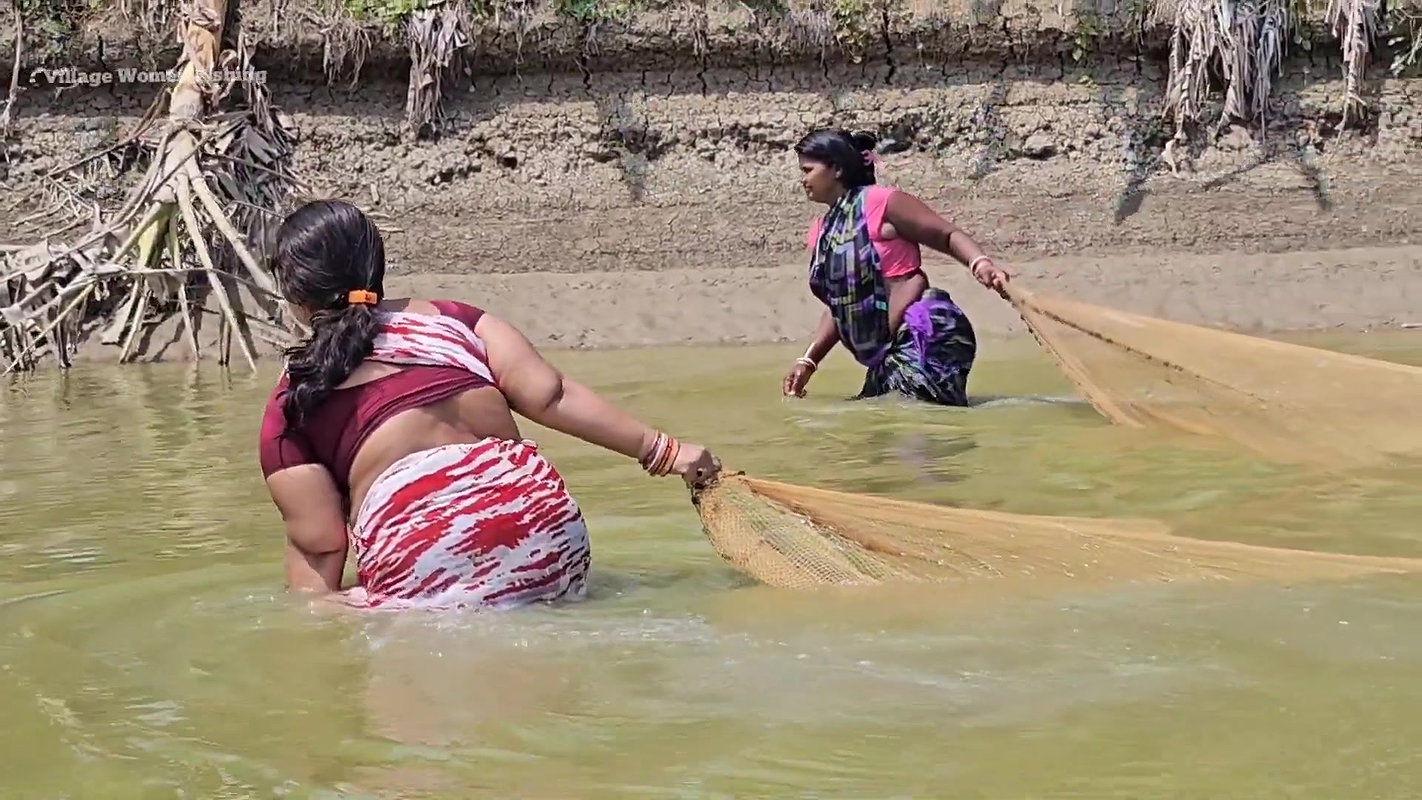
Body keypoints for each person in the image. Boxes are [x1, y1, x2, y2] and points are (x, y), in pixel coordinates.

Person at [257, 199, 722, 611]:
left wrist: (323, 612)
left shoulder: (293, 400)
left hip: (426, 560)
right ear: (375, 262)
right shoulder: (456, 321)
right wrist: (666, 450)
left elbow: (320, 547)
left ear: (295, 295)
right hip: (545, 527)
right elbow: (551, 395)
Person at [783, 128, 1012, 406]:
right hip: (886, 350)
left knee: (912, 423)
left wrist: (981, 264)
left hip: (924, 333)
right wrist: (808, 360)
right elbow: (840, 305)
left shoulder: (884, 203)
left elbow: (946, 235)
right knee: (878, 422)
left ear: (837, 169)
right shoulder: (822, 231)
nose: (803, 180)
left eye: (808, 170)